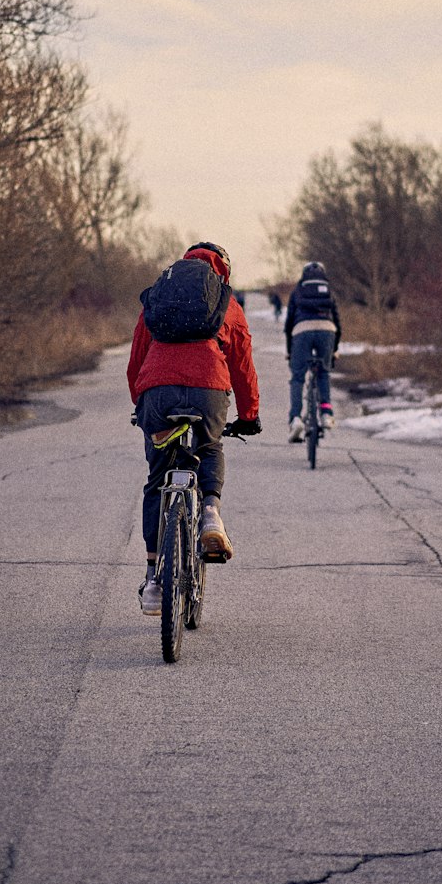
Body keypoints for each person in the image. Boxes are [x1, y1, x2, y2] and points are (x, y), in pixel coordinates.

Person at [128, 242, 261, 615]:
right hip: (209, 392)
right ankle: (210, 513)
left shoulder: (158, 296)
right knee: (210, 446)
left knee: (157, 479)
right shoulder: (225, 301)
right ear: (223, 270)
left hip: (158, 393)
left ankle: (155, 581)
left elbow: (137, 359)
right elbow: (242, 364)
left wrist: (142, 406)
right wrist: (249, 416)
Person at [284, 261, 340, 442]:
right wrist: (334, 349)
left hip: (302, 331)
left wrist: (290, 350)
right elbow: (337, 322)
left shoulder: (298, 291)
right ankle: (326, 412)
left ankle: (296, 419)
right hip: (327, 330)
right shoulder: (329, 290)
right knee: (323, 372)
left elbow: (289, 323)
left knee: (298, 377)